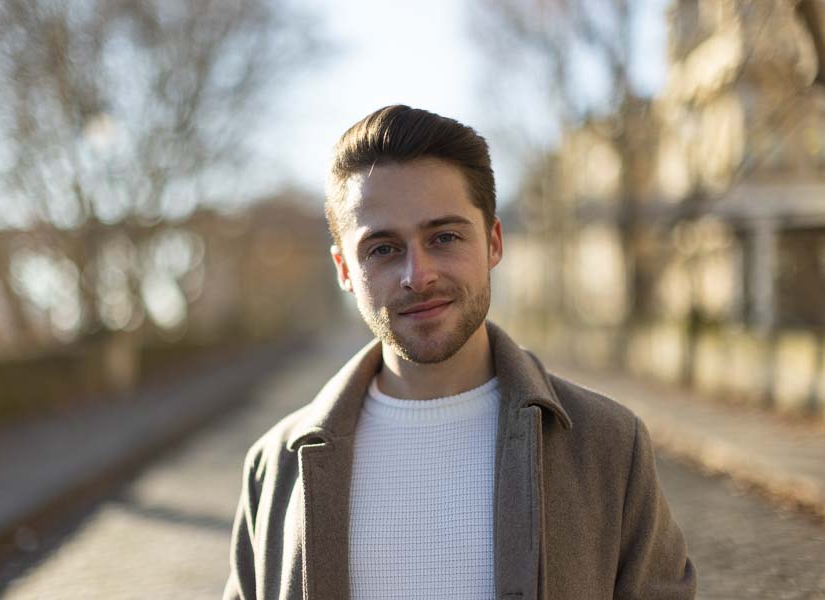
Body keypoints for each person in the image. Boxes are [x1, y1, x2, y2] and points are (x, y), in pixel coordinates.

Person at [223, 105, 696, 599]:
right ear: (344, 268)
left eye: (444, 237)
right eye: (382, 248)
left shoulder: (609, 446)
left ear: (493, 242)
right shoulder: (275, 467)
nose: (418, 275)